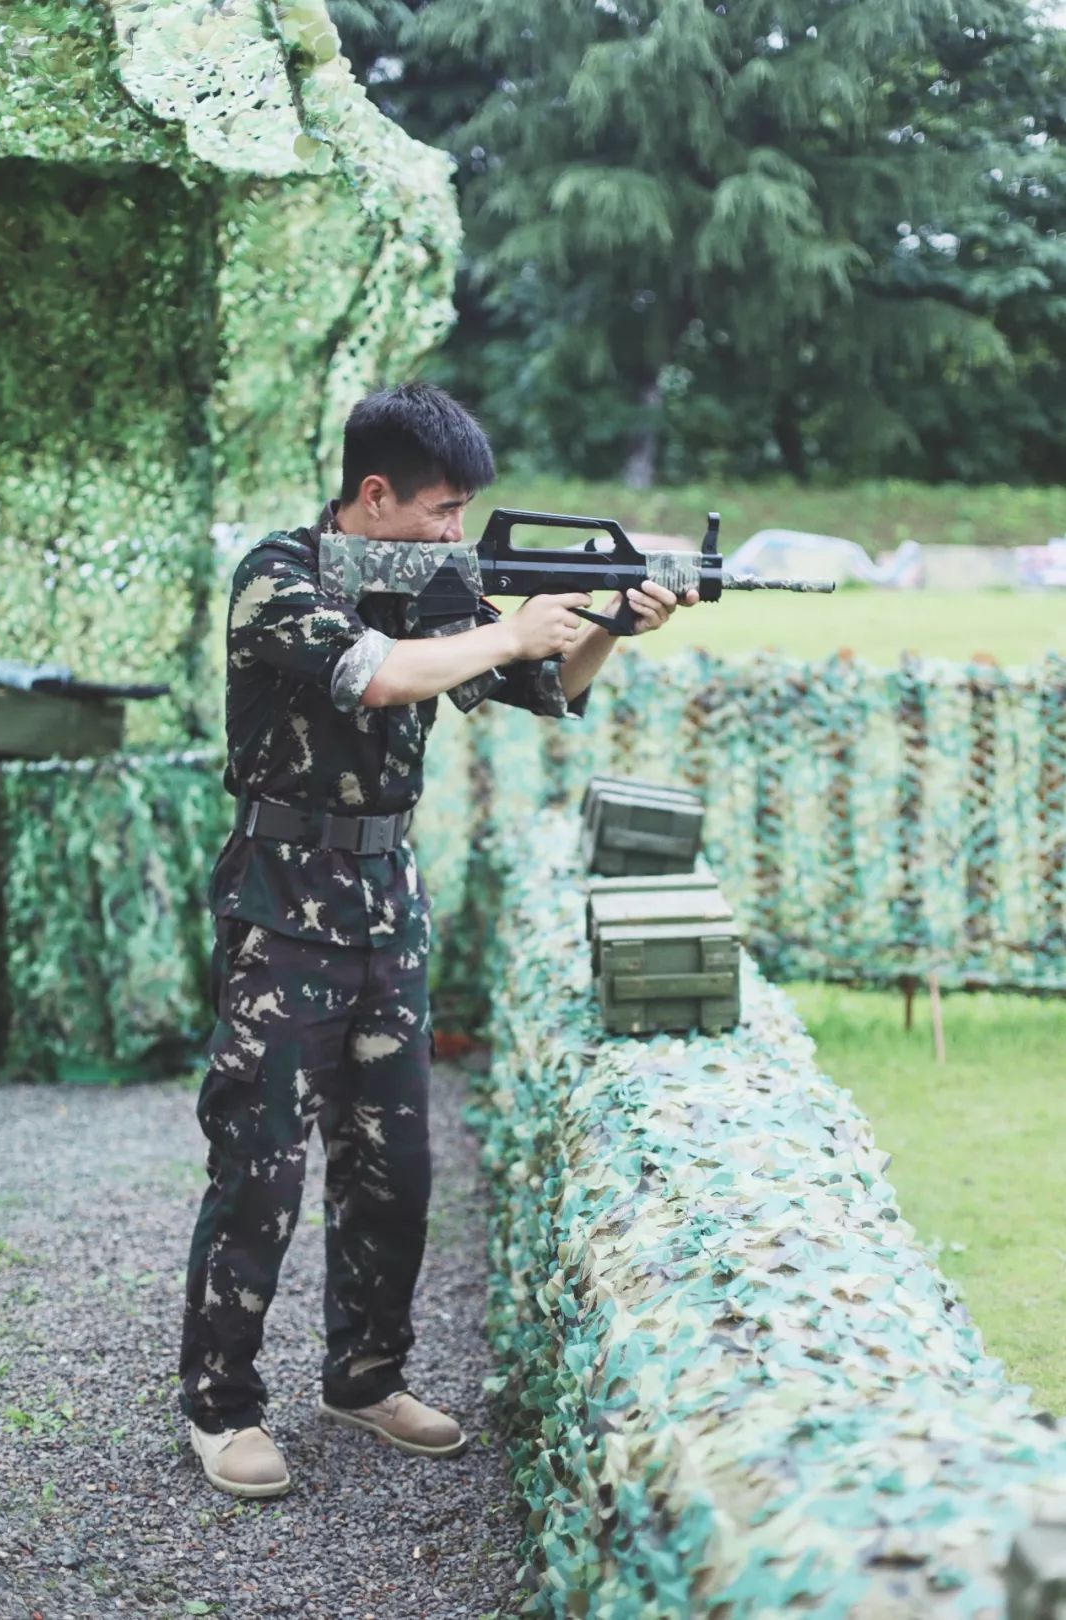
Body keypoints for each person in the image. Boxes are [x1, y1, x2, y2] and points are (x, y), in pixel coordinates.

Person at [179, 382, 699, 1497]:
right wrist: (506, 625)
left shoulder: (441, 586)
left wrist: (606, 626)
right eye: (444, 512)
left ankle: (365, 1381)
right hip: (283, 908)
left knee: (394, 1168)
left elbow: (540, 685)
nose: (458, 536)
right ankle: (221, 1410)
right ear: (375, 496)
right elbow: (378, 674)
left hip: (386, 903)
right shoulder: (278, 577)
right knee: (258, 1169)